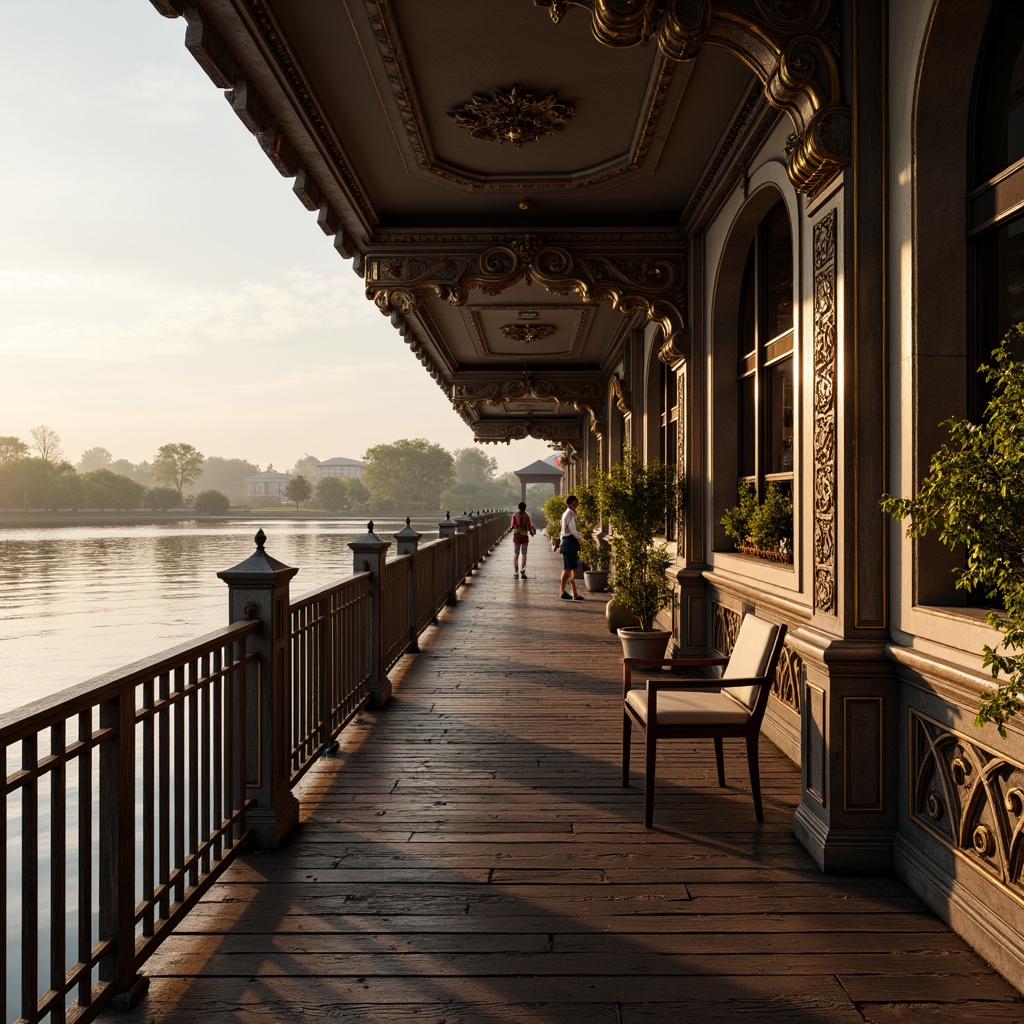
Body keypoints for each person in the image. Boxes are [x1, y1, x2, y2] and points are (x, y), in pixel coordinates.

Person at [559, 494, 584, 600]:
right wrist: (582, 537)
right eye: (573, 503)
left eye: (576, 503)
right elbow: (573, 530)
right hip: (570, 541)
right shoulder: (571, 514)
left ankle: (574, 592)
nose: (575, 505)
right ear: (569, 504)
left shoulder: (565, 514)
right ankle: (562, 591)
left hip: (566, 541)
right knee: (568, 568)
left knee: (572, 568)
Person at [511, 501, 536, 579]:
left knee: (516, 553)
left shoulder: (515, 515)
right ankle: (523, 571)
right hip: (524, 537)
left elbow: (512, 526)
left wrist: (515, 527)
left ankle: (515, 572)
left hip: (517, 537)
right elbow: (529, 527)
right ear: (525, 508)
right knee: (524, 554)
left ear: (518, 507)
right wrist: (532, 532)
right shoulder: (526, 516)